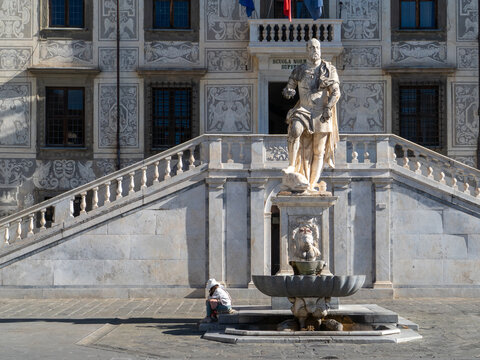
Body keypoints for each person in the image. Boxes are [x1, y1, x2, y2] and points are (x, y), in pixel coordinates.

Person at [282, 38, 341, 192]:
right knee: (295, 130)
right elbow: (288, 88)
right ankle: (291, 165)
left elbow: (336, 92)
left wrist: (329, 106)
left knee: (318, 150)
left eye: (317, 47)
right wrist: (289, 92)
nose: (315, 50)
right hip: (303, 109)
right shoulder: (298, 70)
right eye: (312, 47)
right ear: (307, 50)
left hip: (321, 112)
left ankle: (311, 183)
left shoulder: (328, 69)